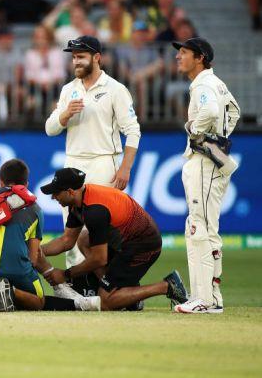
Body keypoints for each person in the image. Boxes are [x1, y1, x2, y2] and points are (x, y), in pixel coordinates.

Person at [45, 36, 141, 273]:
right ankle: (78, 287)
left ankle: (106, 285)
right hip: (73, 162)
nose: (76, 62)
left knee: (97, 231)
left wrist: (125, 167)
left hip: (103, 163)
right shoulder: (69, 90)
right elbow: (50, 129)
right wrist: (65, 114)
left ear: (97, 58)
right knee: (71, 229)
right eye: (74, 57)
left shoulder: (115, 90)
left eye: (81, 57)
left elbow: (133, 131)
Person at [39, 168, 189, 311]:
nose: (53, 197)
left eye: (56, 193)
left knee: (105, 302)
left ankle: (167, 286)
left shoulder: (94, 211)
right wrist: (34, 251)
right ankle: (124, 294)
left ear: (70, 192)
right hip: (128, 240)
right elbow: (66, 241)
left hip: (143, 246)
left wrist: (65, 274)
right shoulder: (79, 201)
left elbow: (99, 259)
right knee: (84, 240)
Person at [0, 159, 101, 312]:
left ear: (0, 181)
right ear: (26, 184)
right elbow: (33, 257)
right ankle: (12, 291)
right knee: (39, 301)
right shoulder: (35, 208)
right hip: (15, 267)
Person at [172, 37, 240, 314]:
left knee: (197, 227)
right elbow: (234, 112)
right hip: (214, 159)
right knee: (209, 229)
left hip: (204, 161)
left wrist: (196, 131)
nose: (179, 57)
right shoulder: (217, 83)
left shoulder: (202, 83)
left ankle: (201, 298)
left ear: (199, 57)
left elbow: (211, 111)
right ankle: (213, 298)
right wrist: (221, 137)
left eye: (184, 53)